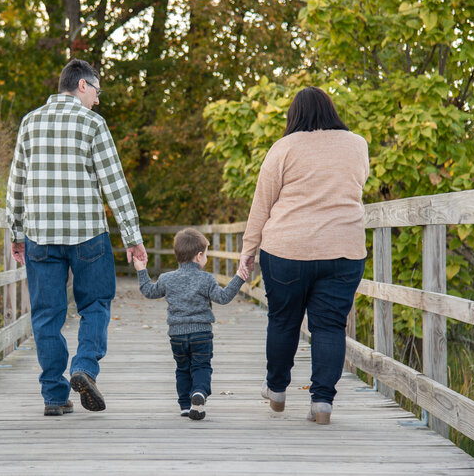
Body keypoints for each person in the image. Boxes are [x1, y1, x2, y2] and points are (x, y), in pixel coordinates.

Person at [6, 58, 147, 416]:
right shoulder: (92, 123)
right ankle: (83, 367)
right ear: (82, 85)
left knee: (46, 315)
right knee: (96, 305)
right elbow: (115, 184)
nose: (98, 100)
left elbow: (16, 183)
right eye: (97, 91)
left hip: (40, 235)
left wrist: (16, 232)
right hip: (88, 235)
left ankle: (54, 396)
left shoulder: (29, 122)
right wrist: (132, 237)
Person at [238, 86, 369, 425]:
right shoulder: (357, 144)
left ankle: (277, 390)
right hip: (344, 248)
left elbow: (261, 205)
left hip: (286, 250)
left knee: (283, 320)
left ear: (294, 114)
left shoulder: (283, 148)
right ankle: (322, 402)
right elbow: (357, 187)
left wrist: (247, 252)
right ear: (331, 110)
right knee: (329, 326)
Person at [134, 228, 249, 420]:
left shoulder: (167, 278)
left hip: (177, 335)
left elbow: (148, 291)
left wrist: (141, 270)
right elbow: (223, 297)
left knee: (182, 368)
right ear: (199, 256)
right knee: (201, 366)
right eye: (206, 255)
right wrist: (239, 277)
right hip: (202, 333)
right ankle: (199, 394)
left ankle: (186, 406)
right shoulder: (206, 279)